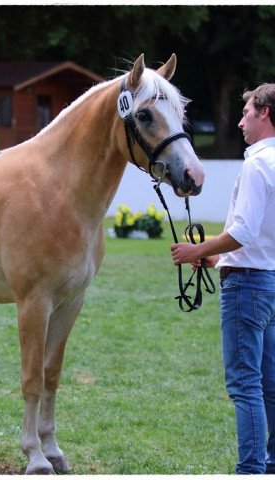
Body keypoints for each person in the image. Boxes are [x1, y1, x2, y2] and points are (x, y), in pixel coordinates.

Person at [171, 84, 275, 474]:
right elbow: (261, 236)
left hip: (248, 288)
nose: (240, 121)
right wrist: (217, 257)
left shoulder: (257, 163)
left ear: (264, 113)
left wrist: (195, 251)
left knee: (245, 386)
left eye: (246, 112)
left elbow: (246, 231)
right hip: (270, 280)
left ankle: (250, 470)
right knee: (268, 386)